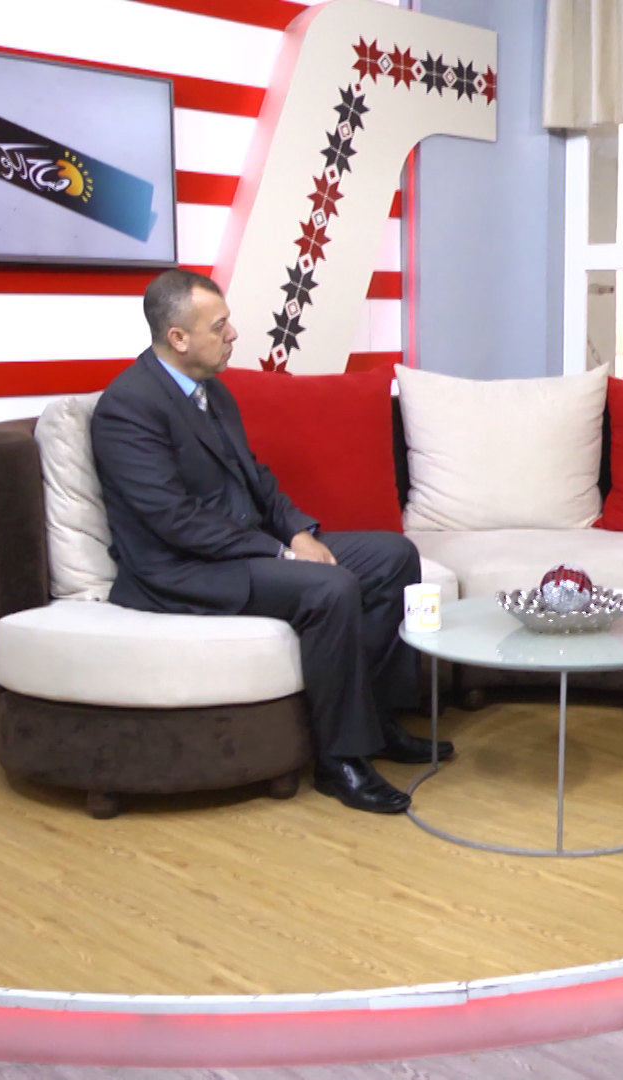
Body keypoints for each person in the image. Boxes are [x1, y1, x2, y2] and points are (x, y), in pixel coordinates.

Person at [91, 269, 452, 814]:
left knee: (393, 556)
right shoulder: (128, 407)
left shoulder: (213, 391)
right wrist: (280, 551)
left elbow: (257, 479)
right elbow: (173, 520)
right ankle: (340, 760)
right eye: (219, 326)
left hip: (241, 550)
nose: (233, 333)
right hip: (180, 569)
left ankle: (378, 722)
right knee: (329, 588)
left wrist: (299, 532)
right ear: (178, 337)